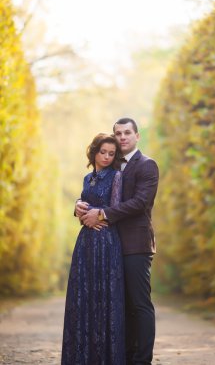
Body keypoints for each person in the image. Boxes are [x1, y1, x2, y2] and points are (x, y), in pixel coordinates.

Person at [76, 118, 159, 365]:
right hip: (109, 245)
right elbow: (96, 192)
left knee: (139, 304)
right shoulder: (111, 165)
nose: (122, 137)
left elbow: (140, 202)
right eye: (118, 133)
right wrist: (78, 206)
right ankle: (124, 356)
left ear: (137, 136)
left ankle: (142, 361)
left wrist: (102, 214)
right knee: (118, 304)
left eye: (127, 133)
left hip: (135, 245)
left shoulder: (146, 165)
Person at [61, 133, 125, 365]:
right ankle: (83, 356)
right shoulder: (87, 178)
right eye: (103, 152)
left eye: (111, 153)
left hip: (106, 241)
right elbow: (83, 205)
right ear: (94, 152)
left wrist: (96, 216)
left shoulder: (117, 176)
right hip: (86, 242)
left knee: (104, 296)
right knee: (84, 296)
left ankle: (105, 357)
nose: (107, 157)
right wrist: (77, 208)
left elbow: (116, 209)